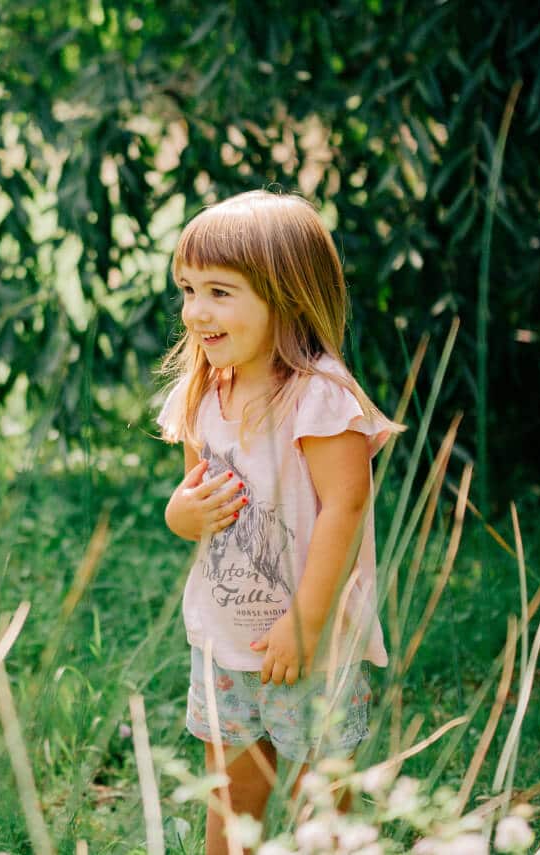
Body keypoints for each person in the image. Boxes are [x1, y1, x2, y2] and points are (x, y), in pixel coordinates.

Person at [156, 190, 400, 854]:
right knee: (231, 805)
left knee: (322, 801)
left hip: (312, 647)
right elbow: (193, 495)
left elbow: (344, 510)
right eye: (188, 289)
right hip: (227, 641)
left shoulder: (320, 399)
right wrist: (181, 513)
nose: (195, 310)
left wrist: (306, 621)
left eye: (219, 291)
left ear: (285, 296)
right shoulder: (203, 390)